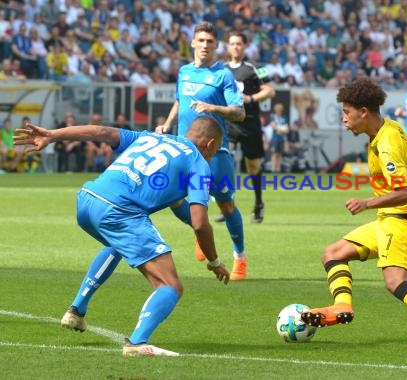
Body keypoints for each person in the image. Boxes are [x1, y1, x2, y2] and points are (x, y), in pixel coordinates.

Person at [14, 116, 230, 357]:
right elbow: (200, 223)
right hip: (120, 212)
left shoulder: (151, 137)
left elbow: (100, 131)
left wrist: (53, 135)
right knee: (170, 286)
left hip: (88, 199)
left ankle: (77, 311)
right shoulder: (199, 164)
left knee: (118, 244)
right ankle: (137, 343)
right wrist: (214, 261)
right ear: (210, 144)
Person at [301, 78, 407, 351]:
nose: (344, 119)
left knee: (395, 282)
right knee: (333, 253)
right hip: (390, 217)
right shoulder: (390, 129)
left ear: (363, 112)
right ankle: (342, 305)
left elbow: (405, 192)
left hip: (403, 220)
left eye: (347, 112)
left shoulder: (387, 142)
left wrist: (367, 202)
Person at [155, 21, 247, 280]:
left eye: (210, 41)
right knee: (174, 199)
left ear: (217, 46)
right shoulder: (184, 71)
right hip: (184, 151)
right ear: (193, 43)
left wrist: (213, 108)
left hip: (215, 153)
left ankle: (240, 257)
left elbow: (239, 113)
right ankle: (201, 230)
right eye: (201, 40)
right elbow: (178, 100)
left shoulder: (223, 75)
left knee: (227, 205)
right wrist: (167, 124)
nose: (205, 45)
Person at [221, 31, 276, 224]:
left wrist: (251, 98)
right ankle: (226, 205)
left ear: (244, 46)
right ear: (227, 46)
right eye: (232, 43)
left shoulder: (257, 68)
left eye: (238, 44)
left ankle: (258, 203)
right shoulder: (221, 69)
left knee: (253, 166)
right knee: (225, 162)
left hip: (250, 123)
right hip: (228, 123)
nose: (235, 47)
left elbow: (270, 90)